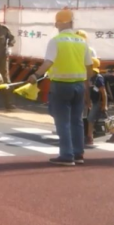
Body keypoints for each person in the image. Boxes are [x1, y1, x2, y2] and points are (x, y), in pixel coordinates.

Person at [27, 9, 93, 166]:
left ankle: (66, 155)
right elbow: (89, 66)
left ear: (60, 23)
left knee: (62, 121)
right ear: (71, 22)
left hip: (61, 85)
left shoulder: (56, 41)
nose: (55, 24)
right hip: (79, 85)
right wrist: (86, 84)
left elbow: (48, 62)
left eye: (56, 22)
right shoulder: (82, 41)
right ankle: (78, 154)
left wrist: (35, 76)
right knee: (76, 121)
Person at [85, 57, 107, 147]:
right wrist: (88, 101)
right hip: (93, 101)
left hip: (99, 102)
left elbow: (103, 92)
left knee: (90, 119)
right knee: (91, 119)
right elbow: (88, 90)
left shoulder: (98, 78)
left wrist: (104, 105)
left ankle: (90, 137)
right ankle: (90, 136)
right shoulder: (90, 78)